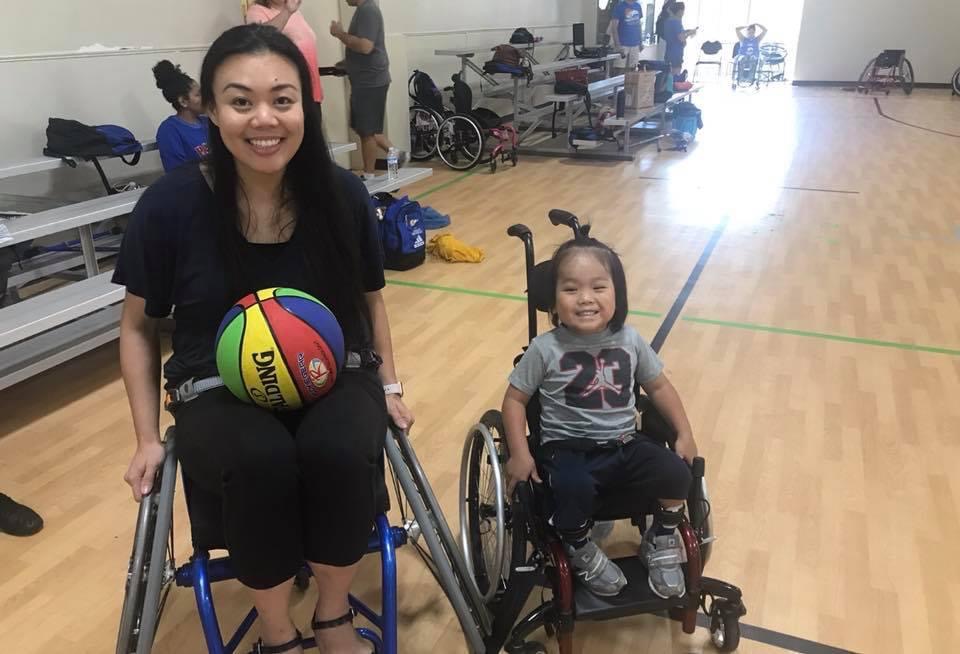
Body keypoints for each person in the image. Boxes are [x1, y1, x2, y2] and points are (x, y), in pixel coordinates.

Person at [115, 24, 412, 654]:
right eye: (240, 101)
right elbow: (137, 326)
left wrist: (389, 386)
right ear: (211, 109)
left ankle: (332, 616)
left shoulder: (342, 194)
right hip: (214, 385)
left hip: (335, 371)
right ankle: (277, 633)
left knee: (339, 449)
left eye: (282, 99)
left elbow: (370, 301)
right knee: (258, 460)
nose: (264, 119)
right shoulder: (170, 205)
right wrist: (145, 437)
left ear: (306, 104)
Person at [502, 236, 697, 599]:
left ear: (617, 295)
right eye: (571, 289)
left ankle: (662, 535)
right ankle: (578, 545)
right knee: (570, 488)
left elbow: (659, 387)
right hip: (567, 450)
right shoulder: (545, 349)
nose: (585, 298)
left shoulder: (630, 340)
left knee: (676, 473)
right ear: (554, 300)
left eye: (598, 287)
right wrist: (519, 453)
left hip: (623, 443)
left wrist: (684, 432)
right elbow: (514, 401)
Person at [329, 0, 405, 180]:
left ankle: (369, 174)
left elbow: (365, 46)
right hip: (365, 80)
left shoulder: (368, 11)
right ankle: (395, 154)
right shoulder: (363, 10)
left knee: (367, 131)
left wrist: (340, 34)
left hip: (370, 81)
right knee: (364, 128)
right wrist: (348, 64)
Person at [245, 0, 324, 116]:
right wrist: (287, 11)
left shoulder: (296, 13)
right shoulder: (256, 11)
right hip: (286, 91)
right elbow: (261, 37)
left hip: (311, 89)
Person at [152, 60, 209, 173]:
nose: (205, 97)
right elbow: (177, 174)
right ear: (183, 101)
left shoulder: (208, 122)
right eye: (198, 94)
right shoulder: (169, 131)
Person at [662, 2, 697, 75]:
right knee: (675, 76)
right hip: (676, 53)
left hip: (669, 52)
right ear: (680, 11)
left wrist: (687, 31)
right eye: (683, 11)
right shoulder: (676, 22)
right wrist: (690, 33)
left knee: (669, 76)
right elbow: (680, 37)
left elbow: (677, 34)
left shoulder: (668, 21)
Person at [609, 0, 644, 71]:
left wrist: (640, 42)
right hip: (622, 43)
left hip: (635, 44)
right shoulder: (619, 6)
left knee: (633, 69)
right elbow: (614, 27)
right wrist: (617, 45)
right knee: (619, 70)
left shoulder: (638, 6)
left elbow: (639, 25)